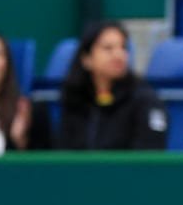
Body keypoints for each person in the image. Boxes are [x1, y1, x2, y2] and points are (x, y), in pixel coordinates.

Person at [56, 21, 168, 150]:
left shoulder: (146, 100)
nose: (118, 55)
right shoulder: (75, 98)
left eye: (123, 48)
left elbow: (149, 157)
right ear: (87, 59)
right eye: (108, 48)